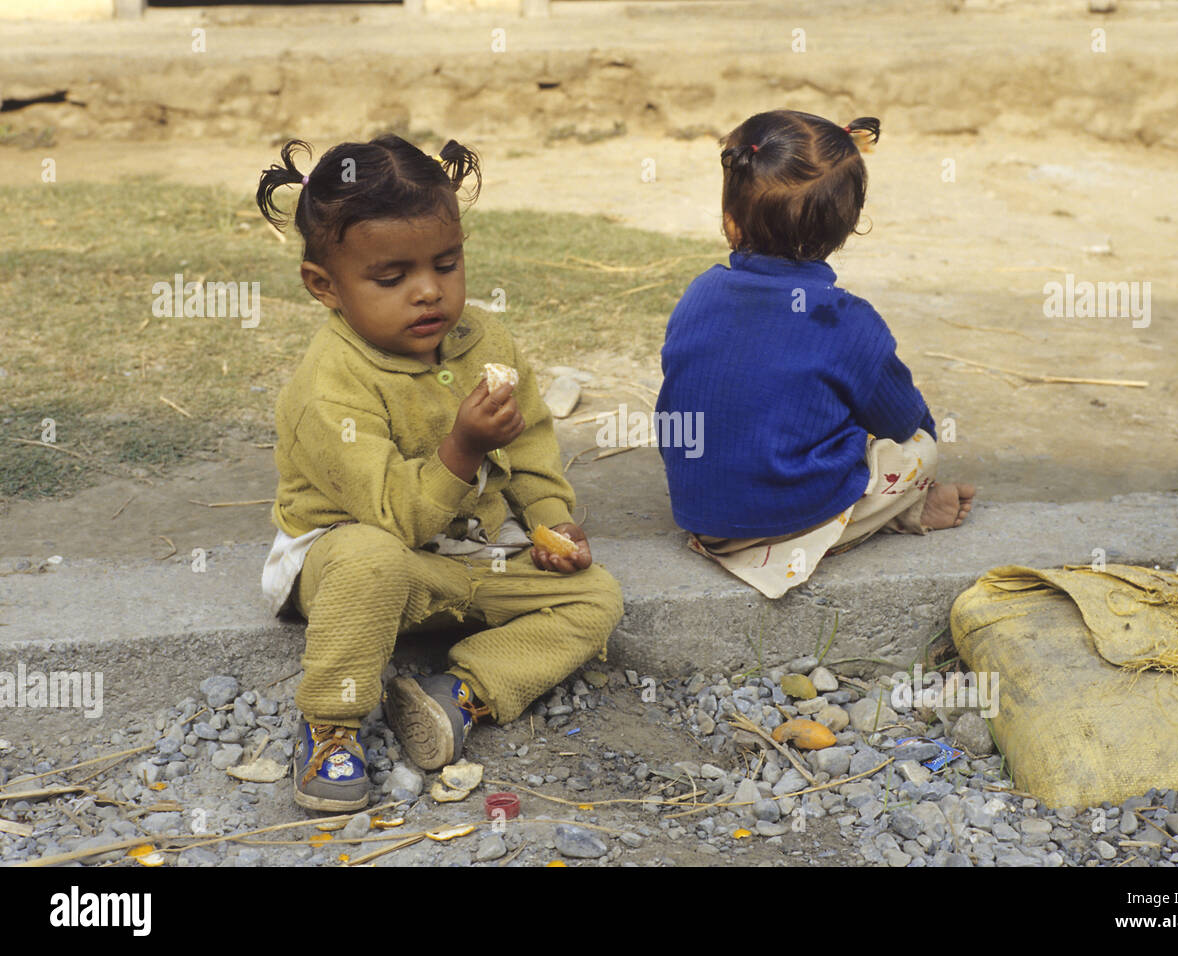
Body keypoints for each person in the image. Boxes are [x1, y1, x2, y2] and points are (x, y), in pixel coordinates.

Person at [255, 134, 623, 812]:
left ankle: (458, 696)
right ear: (324, 286)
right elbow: (396, 514)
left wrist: (550, 520)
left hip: (464, 560)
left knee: (597, 599)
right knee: (371, 558)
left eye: (446, 264)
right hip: (355, 563)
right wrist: (461, 447)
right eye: (391, 278)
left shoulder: (485, 341)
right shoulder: (328, 389)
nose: (428, 292)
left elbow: (533, 442)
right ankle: (330, 730)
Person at [655, 109, 975, 600]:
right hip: (780, 520)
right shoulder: (848, 320)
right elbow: (904, 420)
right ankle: (897, 514)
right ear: (847, 227)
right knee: (920, 450)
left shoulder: (698, 294)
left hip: (700, 515)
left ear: (730, 220)